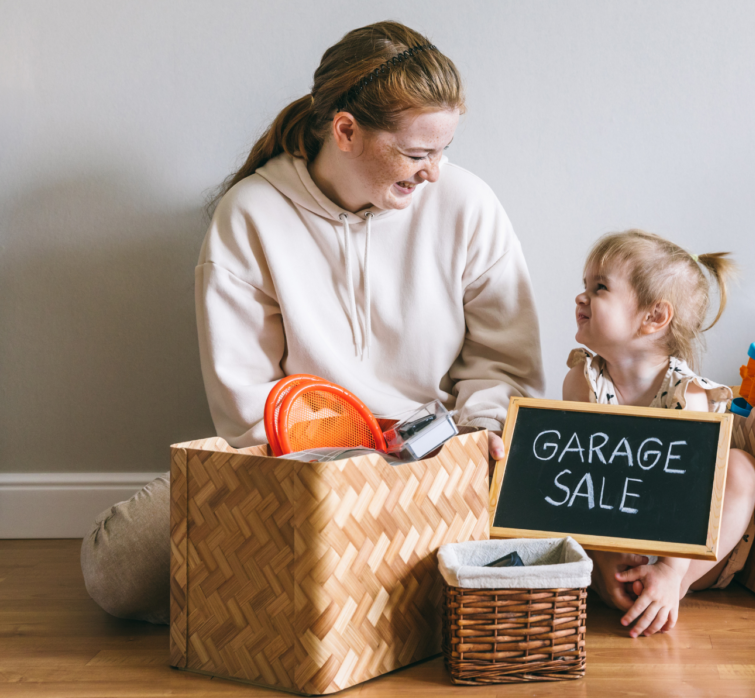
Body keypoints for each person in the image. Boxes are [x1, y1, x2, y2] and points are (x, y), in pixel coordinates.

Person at [81, 21, 544, 624]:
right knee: (119, 569)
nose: (434, 171)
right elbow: (247, 407)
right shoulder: (250, 215)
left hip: (439, 462)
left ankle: (315, 595)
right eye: (417, 153)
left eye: (444, 150)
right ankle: (363, 593)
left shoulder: (467, 203)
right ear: (346, 131)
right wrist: (343, 484)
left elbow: (503, 363)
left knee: (548, 525)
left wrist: (475, 443)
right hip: (300, 467)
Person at [563, 229, 755, 638]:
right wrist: (602, 560)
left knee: (742, 471)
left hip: (686, 548)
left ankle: (672, 588)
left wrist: (673, 569)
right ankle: (611, 582)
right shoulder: (581, 382)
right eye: (584, 286)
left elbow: (691, 490)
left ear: (654, 318)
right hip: (611, 538)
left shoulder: (686, 393)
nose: (581, 297)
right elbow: (577, 482)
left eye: (599, 288)